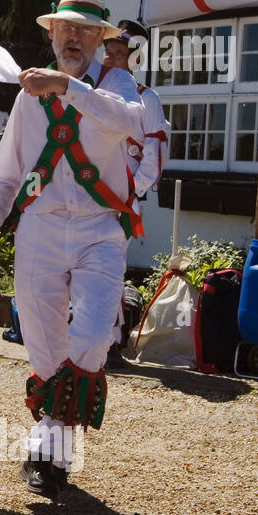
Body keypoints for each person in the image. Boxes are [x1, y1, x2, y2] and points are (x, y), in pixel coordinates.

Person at [0, 0, 145, 500]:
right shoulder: (28, 101)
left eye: (83, 31)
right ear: (52, 36)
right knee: (44, 346)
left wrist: (66, 89)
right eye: (63, 28)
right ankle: (51, 455)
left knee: (93, 335)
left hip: (99, 228)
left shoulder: (118, 87)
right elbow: (5, 174)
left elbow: (127, 123)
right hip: (41, 227)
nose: (72, 37)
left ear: (98, 39)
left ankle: (46, 446)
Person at [102, 18, 169, 366]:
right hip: (87, 196)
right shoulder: (92, 93)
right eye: (108, 52)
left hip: (121, 203)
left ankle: (111, 344)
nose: (111, 59)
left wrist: (130, 194)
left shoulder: (147, 100)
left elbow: (153, 157)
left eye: (119, 53)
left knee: (109, 267)